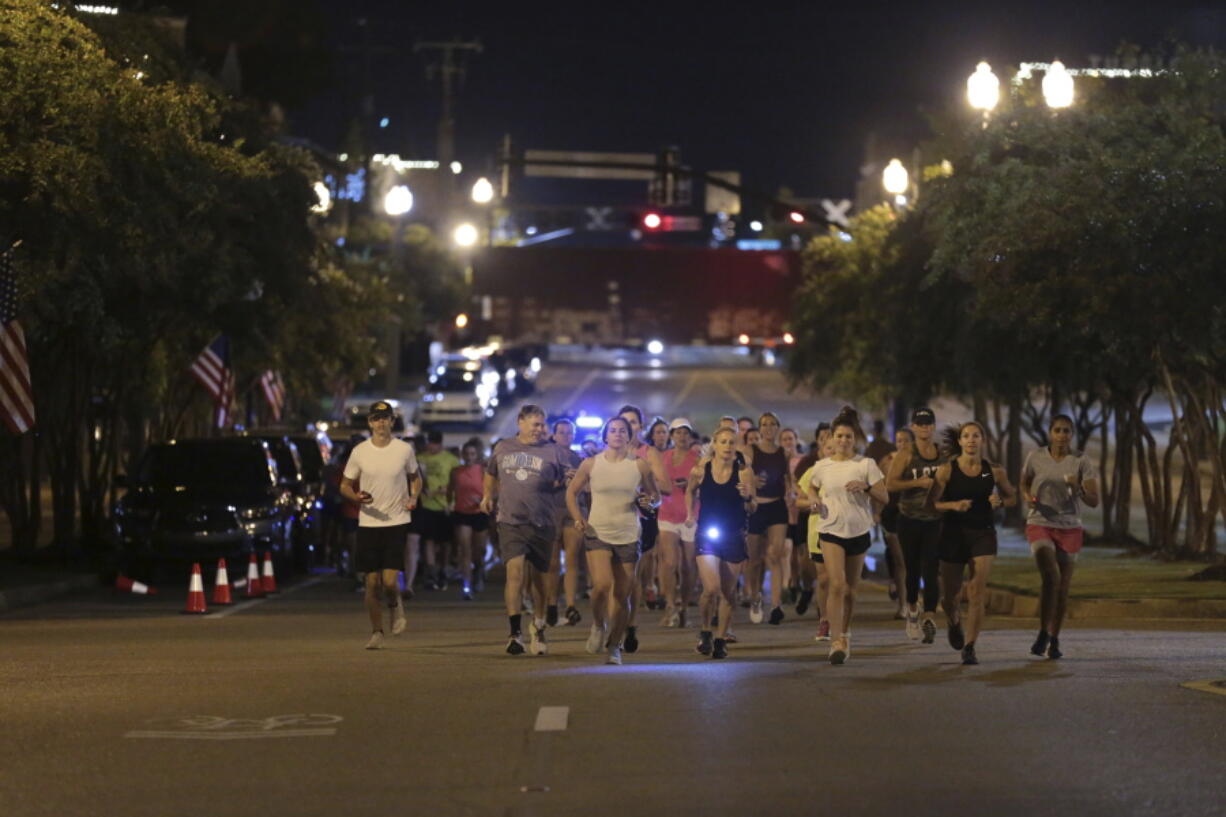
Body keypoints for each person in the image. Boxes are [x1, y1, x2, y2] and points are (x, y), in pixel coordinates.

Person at [566, 416, 660, 665]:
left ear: (629, 436)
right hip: (598, 533)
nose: (617, 434)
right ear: (605, 436)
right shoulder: (591, 464)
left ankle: (614, 646)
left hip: (629, 534)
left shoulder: (640, 465)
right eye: (613, 430)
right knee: (602, 585)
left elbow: (656, 496)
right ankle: (598, 624)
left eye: (622, 431)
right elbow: (571, 493)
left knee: (622, 595)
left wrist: (649, 502)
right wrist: (578, 518)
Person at [481, 404, 573, 656]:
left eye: (542, 425)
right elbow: (490, 473)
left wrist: (569, 479)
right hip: (511, 521)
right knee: (515, 572)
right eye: (535, 424)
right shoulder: (503, 447)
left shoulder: (553, 451)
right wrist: (487, 495)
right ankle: (514, 633)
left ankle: (539, 624)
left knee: (540, 581)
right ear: (520, 422)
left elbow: (569, 477)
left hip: (542, 521)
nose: (540, 430)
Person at [803, 407, 887, 664]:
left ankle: (846, 632)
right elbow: (810, 487)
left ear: (855, 439)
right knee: (836, 584)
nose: (843, 441)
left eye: (848, 436)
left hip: (859, 530)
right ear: (831, 439)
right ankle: (836, 639)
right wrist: (815, 500)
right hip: (830, 530)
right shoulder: (822, 466)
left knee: (850, 590)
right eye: (839, 436)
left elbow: (884, 496)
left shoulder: (866, 465)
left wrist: (867, 487)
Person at [932, 421, 1017, 665]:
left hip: (983, 533)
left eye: (976, 436)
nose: (971, 440)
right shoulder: (947, 470)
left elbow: (1012, 498)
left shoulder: (994, 471)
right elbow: (931, 504)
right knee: (950, 597)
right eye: (966, 436)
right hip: (952, 534)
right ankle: (953, 621)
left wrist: (999, 501)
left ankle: (970, 646)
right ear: (959, 441)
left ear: (983, 440)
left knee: (977, 589)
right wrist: (952, 506)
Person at [339, 401, 421, 650]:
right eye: (376, 418)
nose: (381, 423)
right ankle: (377, 632)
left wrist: (413, 497)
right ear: (370, 423)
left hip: (396, 521)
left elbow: (415, 478)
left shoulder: (404, 450)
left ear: (392, 422)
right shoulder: (360, 451)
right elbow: (344, 485)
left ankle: (396, 606)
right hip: (368, 522)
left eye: (385, 418)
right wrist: (356, 497)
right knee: (371, 583)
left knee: (388, 582)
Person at [1021, 414, 1099, 660]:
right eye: (1058, 430)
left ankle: (1053, 638)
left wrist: (1079, 489)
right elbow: (1025, 482)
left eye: (1067, 431)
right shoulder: (1036, 457)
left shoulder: (1081, 461)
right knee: (1051, 575)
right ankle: (1043, 632)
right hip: (1040, 523)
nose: (1062, 435)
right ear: (1050, 433)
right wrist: (1027, 496)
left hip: (1070, 527)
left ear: (1072, 434)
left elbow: (1094, 501)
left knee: (1062, 588)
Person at [685, 426, 755, 658]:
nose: (727, 446)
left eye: (731, 442)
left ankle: (720, 638)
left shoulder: (744, 472)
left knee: (728, 592)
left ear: (736, 447)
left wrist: (747, 496)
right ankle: (705, 630)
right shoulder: (701, 470)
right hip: (707, 533)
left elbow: (753, 507)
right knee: (711, 588)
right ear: (714, 445)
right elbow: (689, 491)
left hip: (734, 534)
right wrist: (690, 513)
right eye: (722, 442)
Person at [886, 407, 946, 644]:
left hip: (934, 519)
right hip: (909, 519)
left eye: (928, 423)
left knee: (932, 568)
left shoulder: (941, 453)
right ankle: (912, 610)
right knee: (912, 570)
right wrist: (917, 482)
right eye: (920, 424)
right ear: (913, 427)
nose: (924, 427)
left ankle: (929, 617)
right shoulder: (906, 454)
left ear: (933, 426)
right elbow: (890, 484)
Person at [614, 404, 670, 654]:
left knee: (633, 576)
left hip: (642, 519)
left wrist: (646, 488)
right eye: (624, 422)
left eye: (633, 422)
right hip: (613, 518)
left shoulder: (649, 453)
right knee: (613, 578)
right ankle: (611, 623)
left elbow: (663, 487)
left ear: (640, 426)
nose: (628, 427)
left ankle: (631, 624)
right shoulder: (609, 451)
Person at [745, 412, 794, 626]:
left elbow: (789, 480)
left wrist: (792, 493)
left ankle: (775, 605)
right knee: (754, 560)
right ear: (759, 428)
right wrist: (751, 480)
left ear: (777, 428)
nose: (768, 428)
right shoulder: (750, 451)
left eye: (773, 424)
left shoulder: (783, 453)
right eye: (764, 424)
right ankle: (755, 598)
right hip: (756, 507)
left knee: (775, 554)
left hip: (776, 506)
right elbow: (740, 475)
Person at [657, 418, 701, 627]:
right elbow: (655, 481)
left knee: (688, 564)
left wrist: (691, 486)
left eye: (685, 433)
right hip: (667, 514)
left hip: (690, 516)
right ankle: (669, 605)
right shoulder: (663, 457)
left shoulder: (697, 458)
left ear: (690, 437)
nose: (682, 437)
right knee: (670, 562)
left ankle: (684, 604)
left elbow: (705, 486)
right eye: (677, 433)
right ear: (671, 435)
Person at [546, 418, 586, 625]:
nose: (566, 436)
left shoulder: (578, 458)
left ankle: (571, 605)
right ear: (554, 435)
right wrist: (562, 480)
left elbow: (586, 487)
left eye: (569, 433)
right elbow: (541, 483)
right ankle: (551, 603)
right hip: (552, 510)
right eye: (561, 432)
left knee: (572, 559)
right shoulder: (547, 454)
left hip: (572, 510)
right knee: (552, 562)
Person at [415, 430, 459, 591]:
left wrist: (446, 490)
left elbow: (457, 481)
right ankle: (431, 573)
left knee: (445, 542)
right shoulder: (420, 459)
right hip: (426, 505)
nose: (428, 446)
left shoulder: (451, 460)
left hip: (446, 506)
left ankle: (443, 569)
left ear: (438, 443)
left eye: (431, 443)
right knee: (429, 540)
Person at [878, 428, 914, 619]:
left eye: (906, 440)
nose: (902, 444)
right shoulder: (886, 461)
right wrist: (876, 512)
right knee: (900, 561)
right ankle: (903, 604)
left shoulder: (918, 461)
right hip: (892, 514)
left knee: (912, 560)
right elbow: (877, 487)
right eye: (899, 440)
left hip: (913, 513)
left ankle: (913, 599)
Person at [448, 438, 489, 600]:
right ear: (462, 455)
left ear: (476, 455)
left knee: (478, 551)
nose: (469, 456)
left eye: (472, 453)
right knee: (464, 549)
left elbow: (492, 492)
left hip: (479, 513)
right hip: (462, 513)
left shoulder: (483, 471)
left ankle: (478, 569)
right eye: (466, 454)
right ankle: (467, 585)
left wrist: (483, 501)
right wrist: (449, 503)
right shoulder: (456, 471)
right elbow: (450, 490)